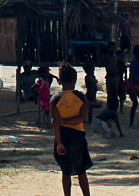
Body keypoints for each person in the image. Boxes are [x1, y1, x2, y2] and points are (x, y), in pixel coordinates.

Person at [51, 63, 93, 196]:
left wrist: (59, 143)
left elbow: (56, 123)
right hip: (78, 137)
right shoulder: (81, 97)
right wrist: (66, 121)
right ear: (74, 80)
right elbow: (81, 118)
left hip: (63, 136)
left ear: (60, 80)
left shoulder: (55, 99)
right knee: (81, 171)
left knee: (66, 171)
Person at [96, 57, 124, 138]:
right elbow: (118, 123)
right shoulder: (110, 58)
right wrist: (121, 133)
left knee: (113, 94)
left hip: (114, 77)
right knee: (111, 94)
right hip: (110, 77)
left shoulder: (116, 58)